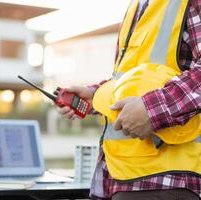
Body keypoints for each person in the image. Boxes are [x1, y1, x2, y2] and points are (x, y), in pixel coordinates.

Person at [58, 0, 201, 199]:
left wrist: (151, 111)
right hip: (120, 177)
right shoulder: (137, 5)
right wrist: (96, 95)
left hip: (167, 181)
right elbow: (130, 82)